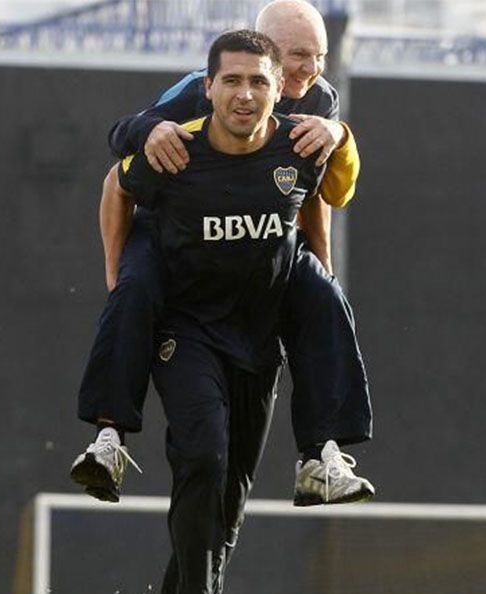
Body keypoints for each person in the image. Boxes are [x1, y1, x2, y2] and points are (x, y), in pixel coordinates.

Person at [72, 0, 374, 508]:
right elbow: (119, 156)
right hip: (171, 234)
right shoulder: (197, 93)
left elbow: (320, 193)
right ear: (264, 55)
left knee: (325, 296)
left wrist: (339, 139)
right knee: (134, 291)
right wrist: (149, 133)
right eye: (300, 55)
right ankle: (109, 439)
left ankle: (322, 455)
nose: (313, 69)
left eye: (319, 56)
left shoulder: (318, 97)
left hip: (257, 240)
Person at [102, 30, 328, 594]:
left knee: (225, 499)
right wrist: (121, 282)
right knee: (201, 453)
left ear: (280, 87)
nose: (247, 91)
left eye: (261, 80)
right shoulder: (178, 133)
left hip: (256, 338)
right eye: (233, 80)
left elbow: (318, 206)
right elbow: (117, 175)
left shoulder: (309, 129)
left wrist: (317, 295)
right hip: (187, 330)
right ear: (209, 87)